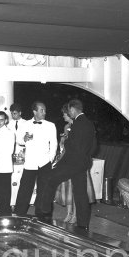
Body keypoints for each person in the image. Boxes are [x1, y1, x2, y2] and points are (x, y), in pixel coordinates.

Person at [39, 99, 96, 230]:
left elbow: (72, 146)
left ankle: (44, 215)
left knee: (50, 179)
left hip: (72, 163)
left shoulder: (77, 124)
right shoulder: (89, 123)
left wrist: (66, 141)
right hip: (83, 163)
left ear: (72, 110)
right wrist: (85, 156)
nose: (69, 113)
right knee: (80, 194)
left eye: (69, 110)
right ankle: (83, 225)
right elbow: (94, 146)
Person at [14, 101, 57, 218]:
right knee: (24, 190)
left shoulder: (50, 125)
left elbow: (54, 144)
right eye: (42, 110)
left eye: (45, 110)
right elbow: (18, 140)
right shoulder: (25, 124)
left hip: (45, 163)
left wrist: (50, 159)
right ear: (34, 111)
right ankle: (19, 215)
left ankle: (42, 216)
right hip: (30, 163)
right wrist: (24, 139)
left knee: (44, 191)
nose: (44, 112)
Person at [54, 104, 77, 224]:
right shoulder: (66, 127)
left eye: (64, 114)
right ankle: (69, 213)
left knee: (75, 189)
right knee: (68, 189)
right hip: (66, 160)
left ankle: (75, 215)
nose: (63, 116)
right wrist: (62, 141)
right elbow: (63, 146)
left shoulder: (77, 126)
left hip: (75, 161)